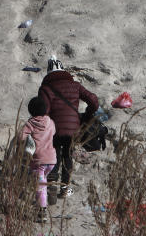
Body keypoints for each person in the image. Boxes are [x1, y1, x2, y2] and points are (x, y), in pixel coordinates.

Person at [37, 55, 99, 199]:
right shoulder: (76, 85)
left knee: (54, 154)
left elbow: (42, 111)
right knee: (68, 156)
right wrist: (87, 115)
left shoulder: (45, 88)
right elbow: (94, 101)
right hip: (73, 129)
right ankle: (65, 188)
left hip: (54, 129)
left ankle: (52, 182)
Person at [19, 96, 56, 218]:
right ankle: (43, 201)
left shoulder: (30, 123)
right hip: (51, 160)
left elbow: (21, 137)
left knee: (39, 186)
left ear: (31, 111)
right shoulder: (50, 122)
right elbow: (53, 132)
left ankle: (42, 212)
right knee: (42, 182)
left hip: (38, 161)